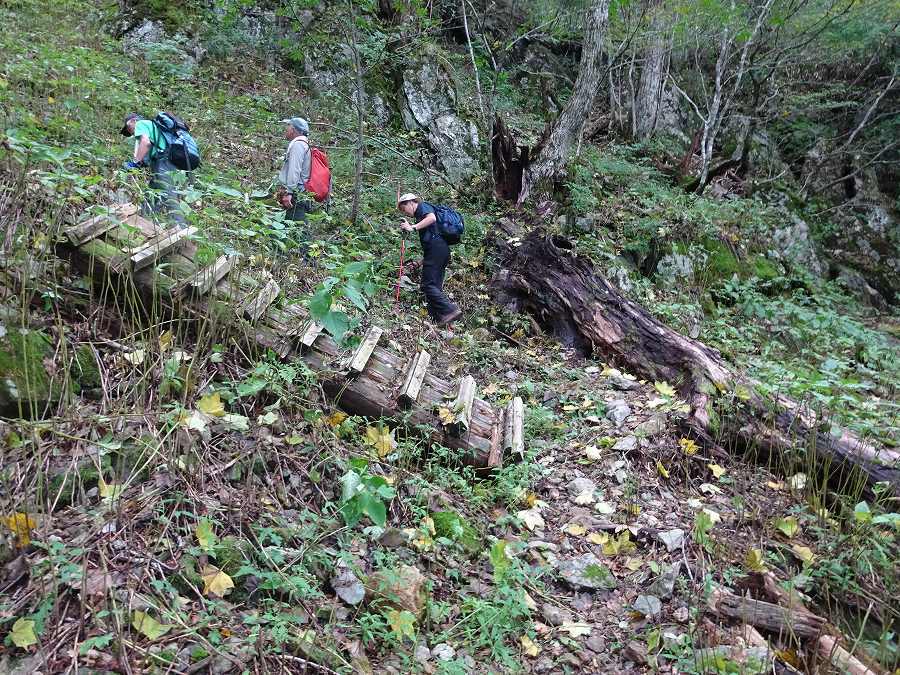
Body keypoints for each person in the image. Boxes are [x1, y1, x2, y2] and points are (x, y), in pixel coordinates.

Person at [397, 193, 462, 327]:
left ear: (410, 202)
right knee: (434, 287)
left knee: (427, 285)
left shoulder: (422, 207)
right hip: (440, 250)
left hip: (437, 249)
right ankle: (439, 319)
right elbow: (431, 244)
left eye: (404, 209)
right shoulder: (420, 216)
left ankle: (451, 310)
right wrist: (419, 262)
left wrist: (412, 227)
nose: (406, 213)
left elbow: (432, 218)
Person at [120, 113, 186, 227]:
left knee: (169, 194)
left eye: (128, 128)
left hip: (163, 162)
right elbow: (150, 150)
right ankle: (146, 224)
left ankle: (180, 228)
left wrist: (134, 163)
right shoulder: (152, 127)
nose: (130, 133)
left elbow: (146, 143)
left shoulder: (141, 124)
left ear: (133, 121)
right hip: (163, 162)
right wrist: (140, 162)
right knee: (152, 196)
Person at [276, 117, 313, 223]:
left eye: (288, 127)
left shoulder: (298, 145)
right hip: (300, 193)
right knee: (293, 228)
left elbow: (294, 169)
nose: (286, 130)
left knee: (298, 230)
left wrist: (289, 193)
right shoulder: (304, 143)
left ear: (293, 129)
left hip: (297, 195)